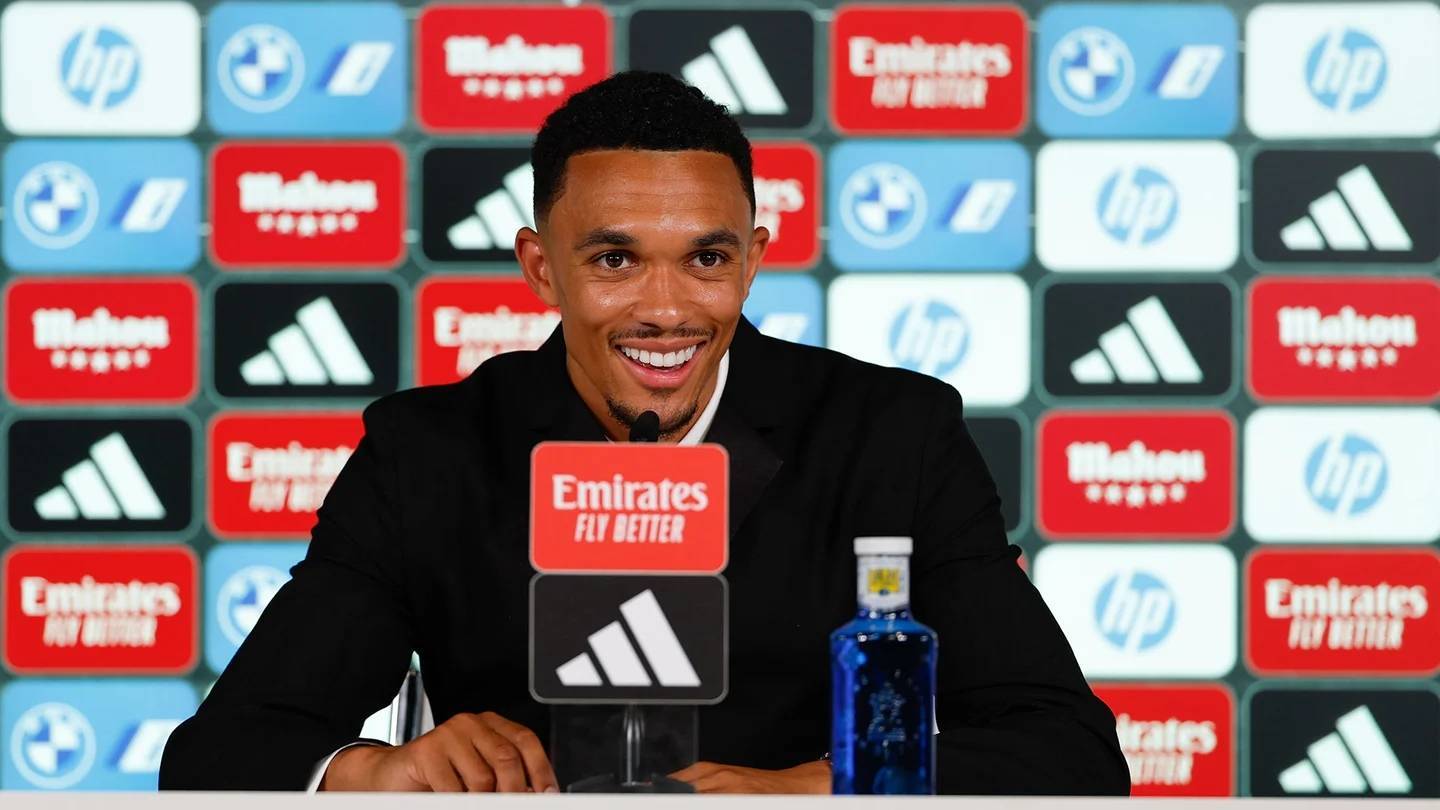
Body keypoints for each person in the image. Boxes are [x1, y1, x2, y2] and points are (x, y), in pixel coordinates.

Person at [160, 71, 1128, 795]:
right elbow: (220, 752)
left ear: (753, 261)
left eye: (706, 259)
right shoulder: (430, 451)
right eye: (615, 261)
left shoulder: (892, 435)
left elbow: (1067, 751)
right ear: (541, 268)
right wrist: (375, 770)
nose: (666, 310)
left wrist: (817, 789)